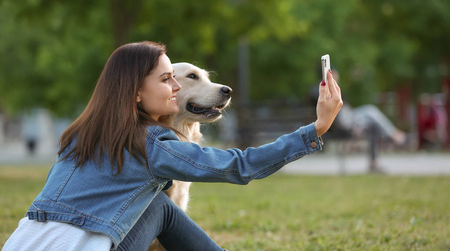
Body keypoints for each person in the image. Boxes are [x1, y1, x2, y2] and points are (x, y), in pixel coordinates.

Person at [3, 41, 342, 251]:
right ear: (136, 93)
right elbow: (239, 165)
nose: (176, 88)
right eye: (167, 80)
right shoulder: (150, 143)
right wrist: (318, 127)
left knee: (154, 209)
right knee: (161, 209)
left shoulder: (81, 134)